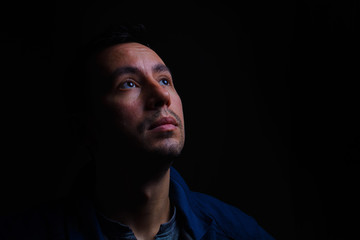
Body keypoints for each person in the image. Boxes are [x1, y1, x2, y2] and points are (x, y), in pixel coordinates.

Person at [0, 24, 275, 240]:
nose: (161, 95)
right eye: (129, 84)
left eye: (165, 80)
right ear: (84, 128)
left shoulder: (236, 231)